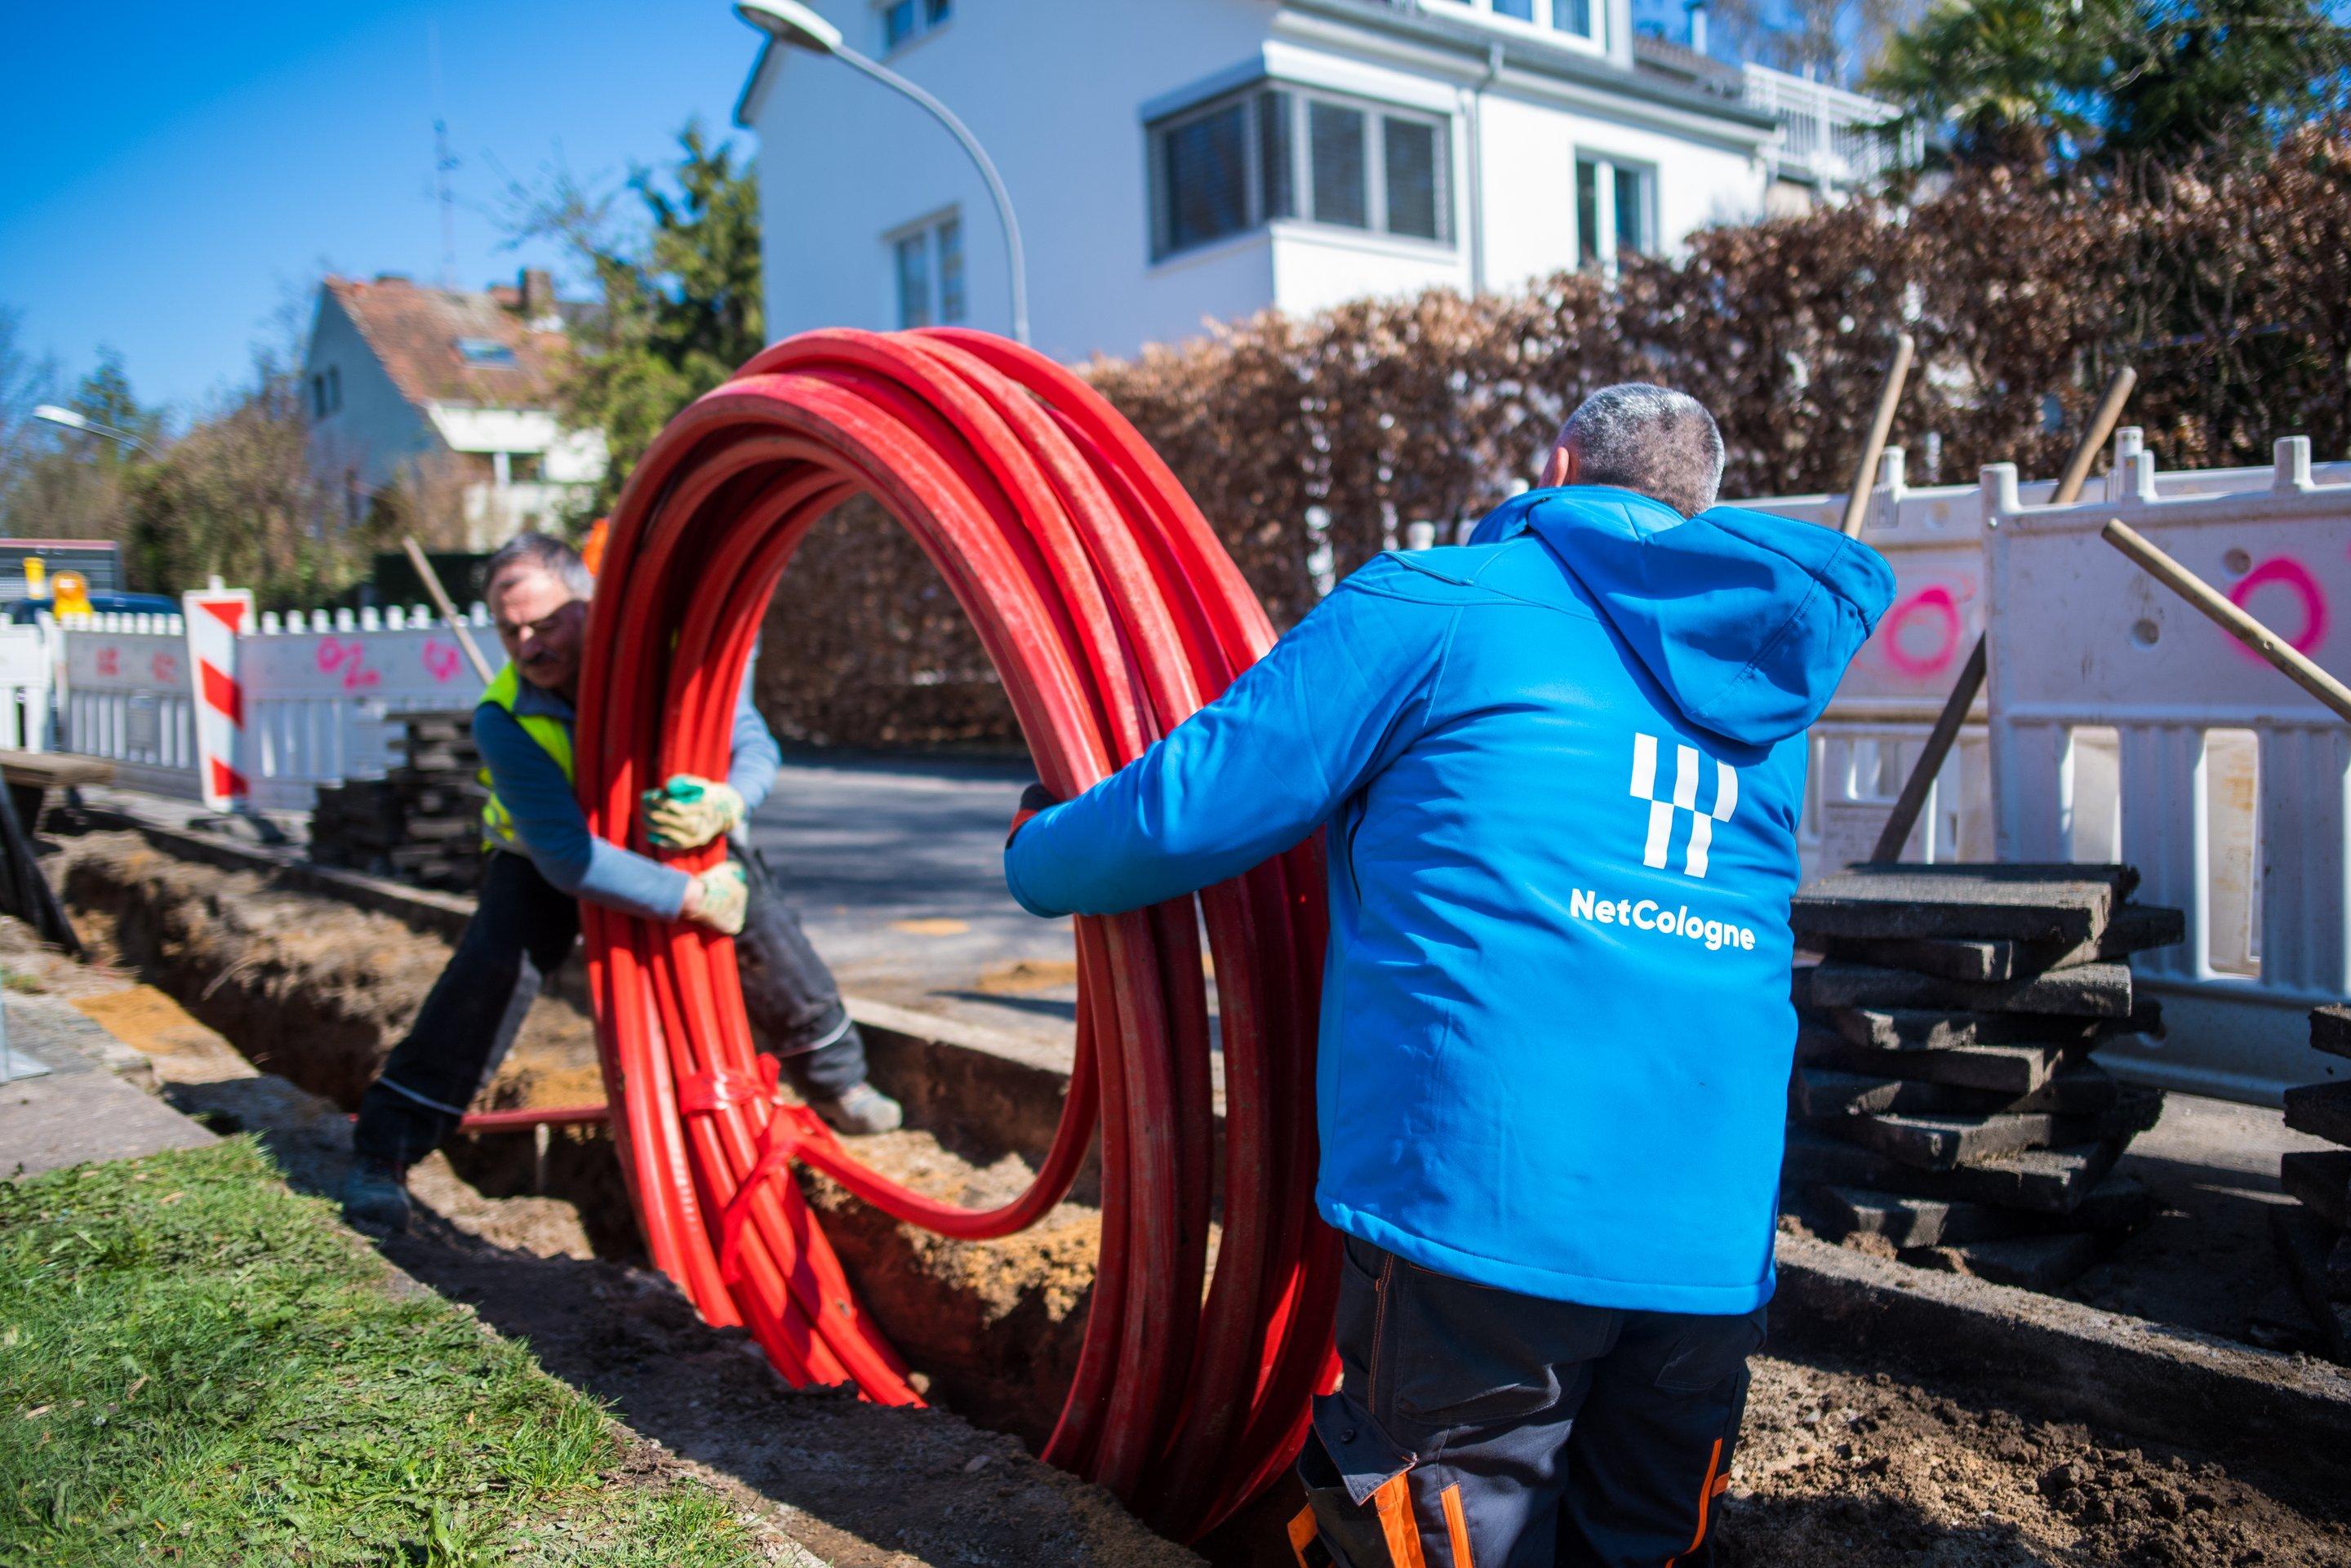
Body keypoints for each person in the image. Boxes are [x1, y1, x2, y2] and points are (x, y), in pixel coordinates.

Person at [1004, 386, 1891, 1566]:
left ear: (1561, 462)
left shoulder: (1437, 606)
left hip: (1487, 1201)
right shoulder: (1772, 683)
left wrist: (1039, 852)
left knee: (1448, 1531)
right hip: (1711, 1229)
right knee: (1638, 1540)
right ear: (1701, 504)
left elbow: (1190, 805)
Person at [342, 532, 900, 1232]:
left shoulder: (666, 662)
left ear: (588, 603)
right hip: (542, 859)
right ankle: (383, 1151)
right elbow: (566, 857)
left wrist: (732, 800)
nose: (528, 645)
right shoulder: (506, 717)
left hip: (661, 827)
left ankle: (839, 1080)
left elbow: (750, 740)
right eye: (509, 630)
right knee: (491, 973)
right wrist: (691, 899)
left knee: (762, 921)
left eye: (545, 623)